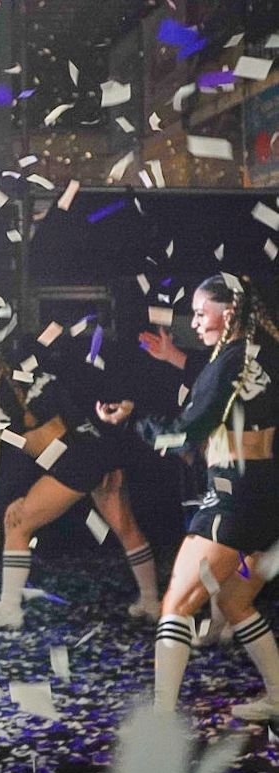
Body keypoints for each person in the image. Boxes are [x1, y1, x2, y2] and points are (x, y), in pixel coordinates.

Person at [97, 274, 279, 719]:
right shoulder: (264, 353)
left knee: (175, 604)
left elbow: (183, 433)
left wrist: (134, 420)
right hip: (265, 495)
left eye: (201, 313)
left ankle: (160, 717)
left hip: (233, 496)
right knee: (235, 601)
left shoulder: (235, 358)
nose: (194, 323)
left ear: (229, 311)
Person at [0, 346, 161, 628]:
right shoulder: (7, 386)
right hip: (81, 457)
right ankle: (151, 600)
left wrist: (17, 494)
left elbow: (76, 416)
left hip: (75, 459)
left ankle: (9, 609)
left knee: (17, 524)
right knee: (126, 527)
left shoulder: (20, 381)